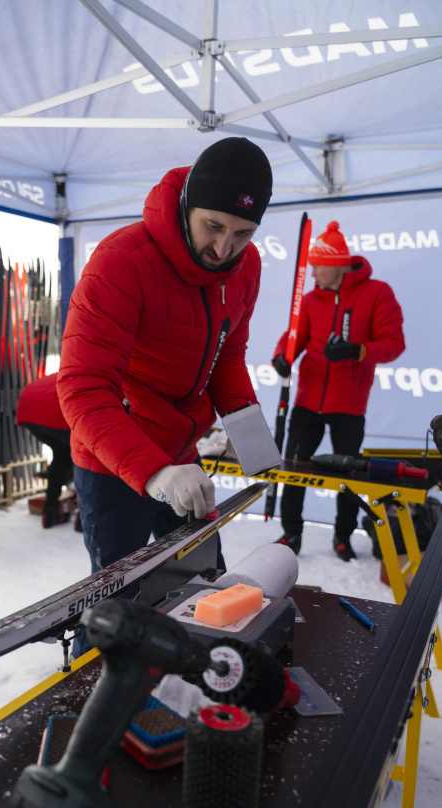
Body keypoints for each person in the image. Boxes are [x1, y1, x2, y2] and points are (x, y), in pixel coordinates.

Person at [57, 136, 272, 583]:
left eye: (243, 233)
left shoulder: (244, 267)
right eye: (213, 225)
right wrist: (155, 471)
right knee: (118, 609)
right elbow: (83, 388)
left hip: (184, 458)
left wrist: (245, 425)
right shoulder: (120, 262)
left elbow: (227, 354)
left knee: (207, 587)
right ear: (188, 203)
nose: (224, 248)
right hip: (113, 462)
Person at [272, 221, 405, 561]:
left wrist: (356, 351)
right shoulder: (311, 299)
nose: (312, 273)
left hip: (349, 403)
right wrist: (281, 359)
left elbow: (394, 344)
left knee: (346, 475)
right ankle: (292, 534)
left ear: (334, 267)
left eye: (317, 266)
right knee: (295, 469)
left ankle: (342, 537)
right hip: (307, 400)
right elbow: (293, 338)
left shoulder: (378, 293)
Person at [16, 372, 77, 529]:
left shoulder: (69, 369)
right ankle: (86, 520)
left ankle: (49, 511)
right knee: (88, 459)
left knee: (61, 454)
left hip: (28, 407)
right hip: (51, 409)